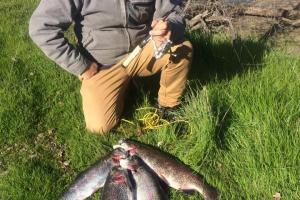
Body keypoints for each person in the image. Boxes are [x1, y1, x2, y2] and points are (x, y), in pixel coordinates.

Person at [29, 0, 193, 134]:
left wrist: (169, 26)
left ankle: (168, 106)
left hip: (143, 51)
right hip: (102, 66)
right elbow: (41, 28)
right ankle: (126, 87)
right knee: (99, 127)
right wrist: (81, 66)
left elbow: (173, 13)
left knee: (182, 48)